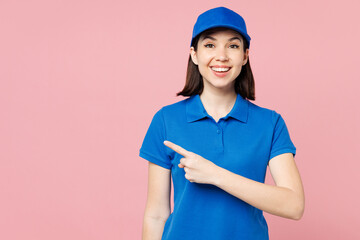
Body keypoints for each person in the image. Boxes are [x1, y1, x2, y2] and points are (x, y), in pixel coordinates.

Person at [139, 6, 305, 240]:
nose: (222, 56)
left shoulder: (270, 123)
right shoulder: (166, 120)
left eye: (233, 46)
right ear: (194, 54)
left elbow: (293, 205)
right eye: (209, 45)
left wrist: (215, 175)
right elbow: (156, 214)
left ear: (245, 56)